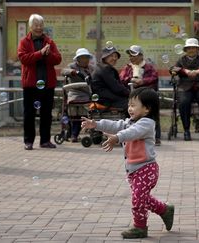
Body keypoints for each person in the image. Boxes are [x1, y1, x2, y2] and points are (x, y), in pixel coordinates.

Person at [81, 87, 174, 239]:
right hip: (133, 170)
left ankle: (140, 227)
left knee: (138, 199)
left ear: (146, 109)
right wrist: (95, 124)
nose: (130, 108)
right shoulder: (129, 122)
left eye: (134, 105)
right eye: (129, 104)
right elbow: (115, 125)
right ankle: (164, 210)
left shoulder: (146, 123)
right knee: (142, 198)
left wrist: (117, 137)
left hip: (146, 168)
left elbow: (132, 133)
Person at [18, 14, 62, 150]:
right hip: (31, 84)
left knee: (46, 114)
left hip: (47, 84)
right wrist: (40, 53)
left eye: (41, 25)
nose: (39, 28)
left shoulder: (49, 41)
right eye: (36, 25)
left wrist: (48, 54)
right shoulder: (24, 42)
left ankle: (45, 141)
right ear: (30, 27)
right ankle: (28, 141)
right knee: (29, 114)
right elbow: (23, 58)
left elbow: (58, 59)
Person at [170, 38, 199, 141]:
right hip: (185, 87)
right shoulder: (181, 60)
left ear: (197, 49)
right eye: (189, 48)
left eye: (193, 48)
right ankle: (186, 130)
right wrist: (184, 71)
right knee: (184, 102)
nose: (191, 50)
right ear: (186, 50)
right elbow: (172, 69)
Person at [119, 45, 162, 145]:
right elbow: (121, 79)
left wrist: (142, 81)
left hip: (146, 95)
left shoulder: (149, 67)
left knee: (152, 112)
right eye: (130, 55)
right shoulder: (128, 67)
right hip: (132, 95)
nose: (131, 57)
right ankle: (130, 134)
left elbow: (154, 78)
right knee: (129, 112)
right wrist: (130, 80)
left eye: (134, 55)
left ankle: (156, 136)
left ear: (141, 56)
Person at [61, 48, 95, 142]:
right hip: (75, 93)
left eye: (87, 57)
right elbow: (63, 71)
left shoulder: (91, 68)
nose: (85, 60)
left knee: (84, 113)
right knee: (75, 114)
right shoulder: (72, 66)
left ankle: (75, 134)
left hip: (87, 93)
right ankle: (73, 134)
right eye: (83, 57)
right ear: (78, 59)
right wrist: (74, 72)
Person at [90, 46, 129, 111]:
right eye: (111, 56)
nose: (114, 58)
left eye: (116, 56)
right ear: (104, 57)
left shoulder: (100, 67)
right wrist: (130, 93)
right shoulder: (106, 69)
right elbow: (116, 88)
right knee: (133, 104)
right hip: (106, 101)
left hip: (104, 98)